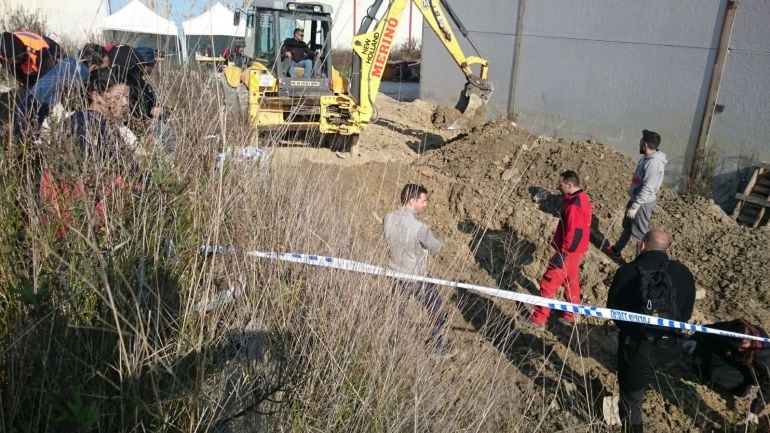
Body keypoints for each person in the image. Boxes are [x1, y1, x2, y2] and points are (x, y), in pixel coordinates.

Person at [606, 229, 696, 433]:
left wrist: (633, 331)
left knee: (632, 400)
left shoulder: (627, 271)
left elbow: (614, 310)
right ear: (667, 249)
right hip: (672, 348)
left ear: (643, 245)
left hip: (637, 349)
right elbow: (687, 313)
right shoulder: (683, 273)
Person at [40, 68, 138, 236]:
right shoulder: (93, 127)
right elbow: (118, 175)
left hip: (62, 219)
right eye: (118, 97)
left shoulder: (78, 120)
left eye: (127, 97)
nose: (124, 103)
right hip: (81, 220)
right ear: (96, 95)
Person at [383, 183, 456, 359]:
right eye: (423, 200)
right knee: (438, 311)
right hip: (416, 277)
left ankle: (394, 346)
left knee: (398, 312)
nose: (425, 204)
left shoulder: (387, 218)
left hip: (394, 273)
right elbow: (435, 248)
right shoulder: (419, 228)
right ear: (412, 201)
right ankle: (436, 346)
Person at [526, 170, 592, 328]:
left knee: (548, 282)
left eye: (560, 184)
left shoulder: (574, 205)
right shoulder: (582, 198)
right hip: (577, 251)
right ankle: (570, 314)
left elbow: (575, 233)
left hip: (569, 252)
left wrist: (563, 254)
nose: (558, 187)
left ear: (569, 185)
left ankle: (538, 319)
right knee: (571, 281)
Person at [689, 319, 770, 426]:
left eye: (743, 345)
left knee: (718, 376)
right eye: (736, 345)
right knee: (710, 362)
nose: (739, 348)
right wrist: (694, 340)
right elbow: (708, 330)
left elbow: (768, 384)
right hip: (734, 360)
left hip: (747, 372)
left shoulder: (764, 354)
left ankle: (747, 387)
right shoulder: (732, 329)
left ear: (751, 339)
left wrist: (755, 409)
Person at [603, 130, 666, 258]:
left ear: (646, 144)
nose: (639, 143)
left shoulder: (653, 163)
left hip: (643, 203)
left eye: (641, 140)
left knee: (640, 234)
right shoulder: (647, 158)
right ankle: (617, 250)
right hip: (636, 199)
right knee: (628, 226)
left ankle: (640, 262)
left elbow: (648, 188)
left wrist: (635, 206)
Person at [30, 43, 109, 122]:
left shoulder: (71, 59)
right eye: (101, 69)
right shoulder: (82, 72)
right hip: (43, 106)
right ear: (93, 66)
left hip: (33, 93)